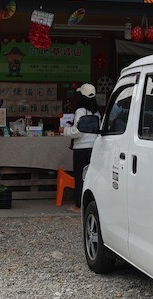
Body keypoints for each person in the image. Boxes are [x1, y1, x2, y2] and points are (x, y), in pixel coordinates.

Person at [63, 83, 99, 212]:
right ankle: (89, 203)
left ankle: (79, 205)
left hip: (80, 149)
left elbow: (77, 131)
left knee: (79, 177)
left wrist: (65, 130)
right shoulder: (97, 113)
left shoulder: (80, 111)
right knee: (90, 177)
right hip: (94, 148)